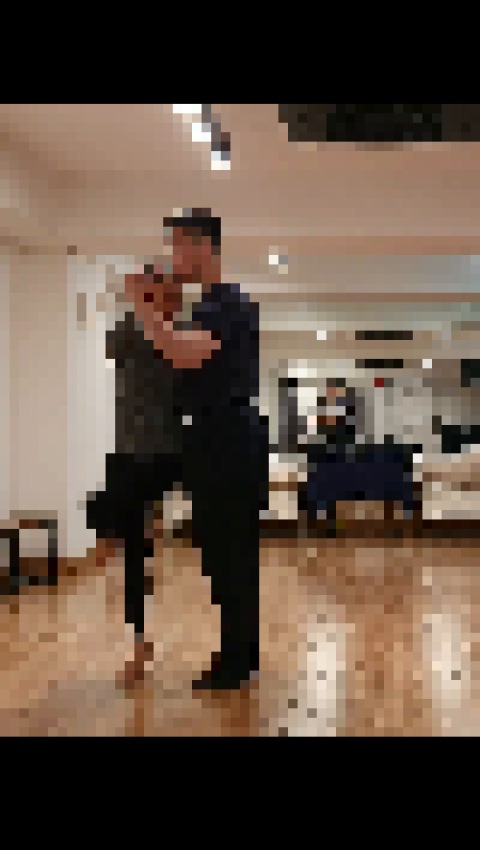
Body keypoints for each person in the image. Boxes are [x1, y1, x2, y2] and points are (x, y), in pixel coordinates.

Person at [86, 262, 219, 688]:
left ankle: (143, 525)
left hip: (171, 451)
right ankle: (139, 642)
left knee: (137, 528)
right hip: (129, 452)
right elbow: (112, 348)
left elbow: (189, 366)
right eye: (162, 288)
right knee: (130, 551)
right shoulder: (128, 329)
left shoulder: (183, 333)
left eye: (173, 290)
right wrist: (138, 305)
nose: (170, 296)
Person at [161, 209, 270, 690]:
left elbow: (184, 354)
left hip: (226, 438)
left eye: (177, 245)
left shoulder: (225, 303)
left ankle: (236, 661)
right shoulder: (214, 304)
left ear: (201, 246)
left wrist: (146, 310)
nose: (173, 256)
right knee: (225, 553)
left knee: (229, 553)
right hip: (221, 437)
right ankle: (239, 655)